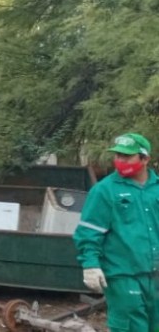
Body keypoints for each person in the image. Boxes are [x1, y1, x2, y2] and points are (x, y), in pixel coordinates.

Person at [74, 132, 159, 332]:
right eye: (118, 155)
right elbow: (89, 232)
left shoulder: (156, 189)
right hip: (122, 274)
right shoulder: (105, 190)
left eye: (127, 156)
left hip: (155, 274)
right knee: (131, 326)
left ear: (145, 158)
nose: (120, 160)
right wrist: (90, 264)